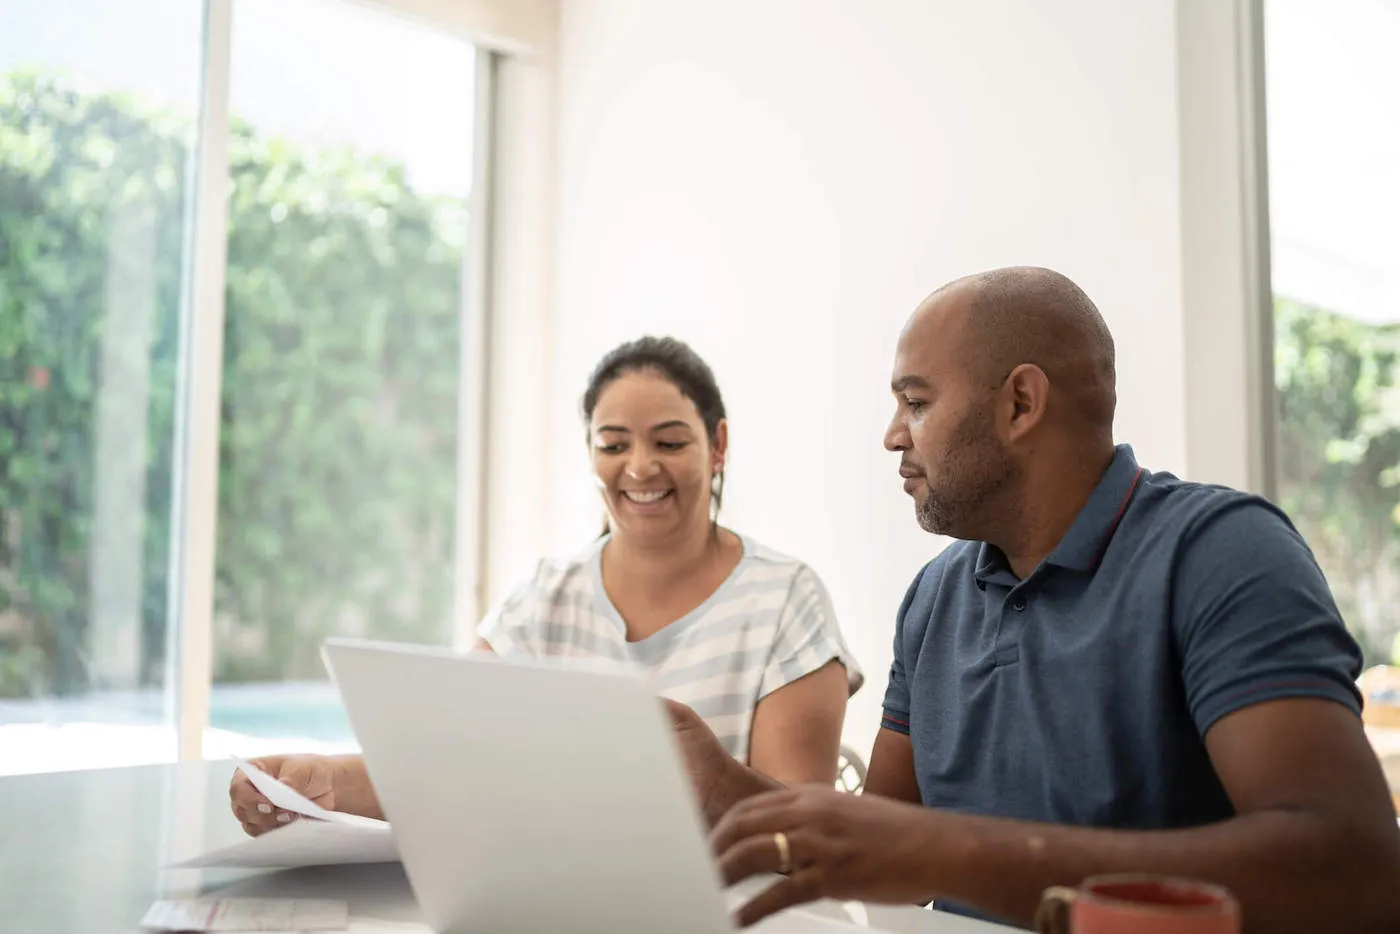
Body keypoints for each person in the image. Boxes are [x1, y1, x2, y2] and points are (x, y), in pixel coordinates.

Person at [674, 267, 1400, 933]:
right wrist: (724, 792)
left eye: (917, 402)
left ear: (1021, 403)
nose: (894, 435)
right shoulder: (935, 596)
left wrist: (950, 851)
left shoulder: (1221, 552)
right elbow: (881, 850)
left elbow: (1351, 867)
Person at [230, 335, 863, 835]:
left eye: (669, 441)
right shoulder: (545, 597)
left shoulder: (784, 598)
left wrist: (715, 778)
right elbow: (446, 760)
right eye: (613, 444)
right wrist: (317, 783)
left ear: (717, 445)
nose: (640, 467)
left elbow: (805, 832)